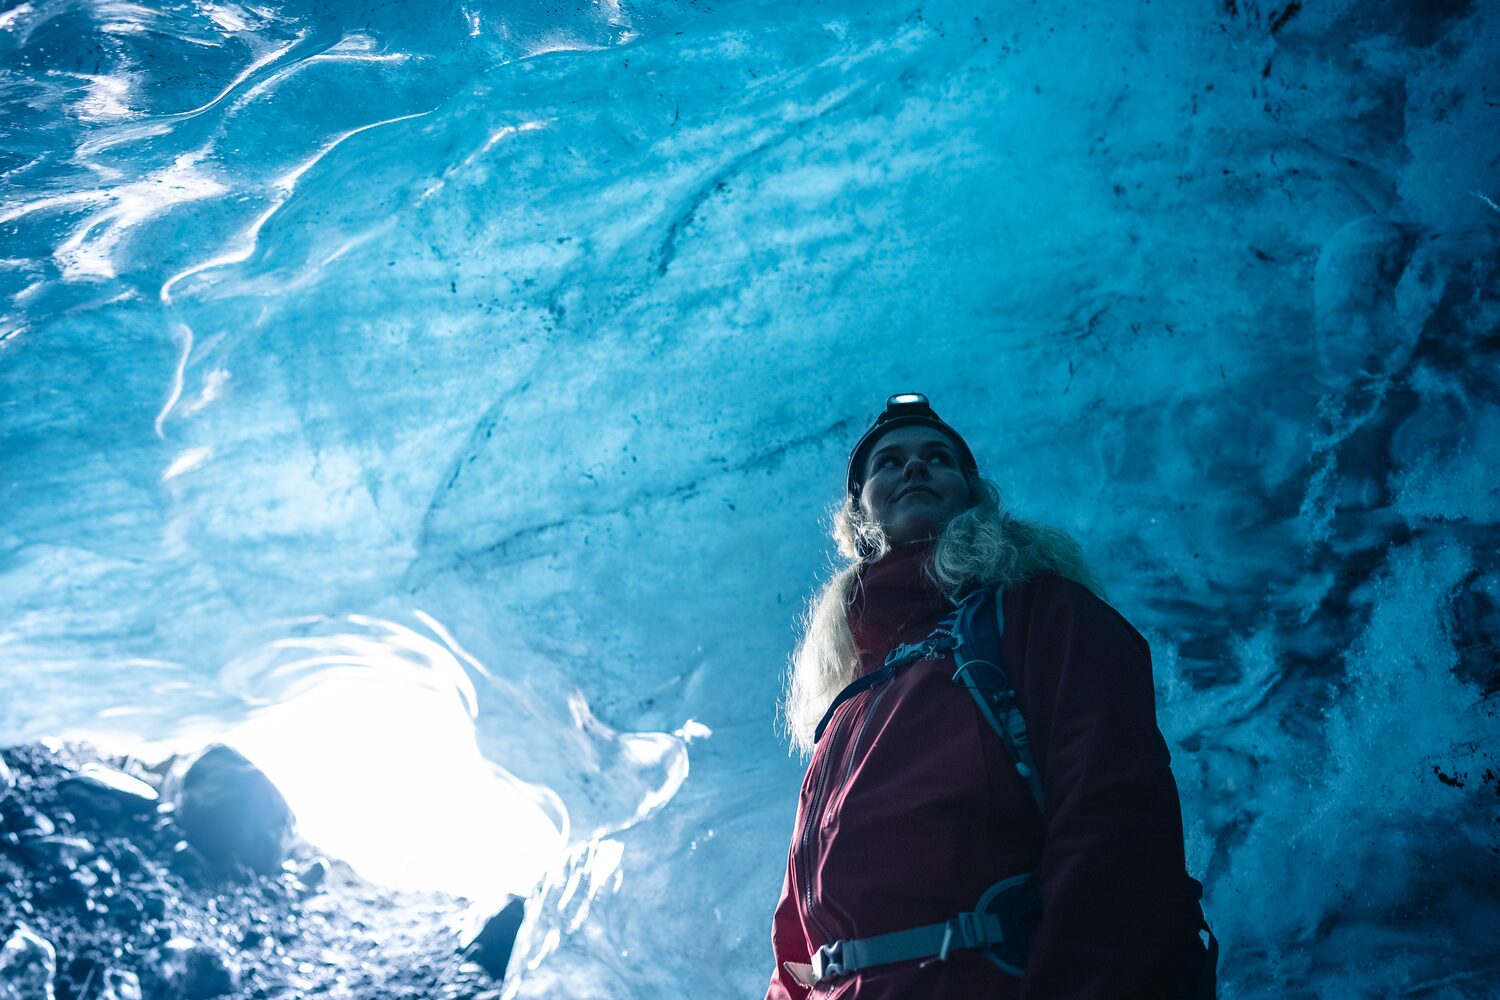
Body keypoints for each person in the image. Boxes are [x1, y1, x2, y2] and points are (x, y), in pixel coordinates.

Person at [765, 393, 1206, 1000]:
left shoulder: (1040, 613)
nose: (914, 468)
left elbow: (1115, 821)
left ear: (973, 496)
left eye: (937, 458)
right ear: (858, 516)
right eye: (888, 463)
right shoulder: (845, 712)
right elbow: (797, 942)